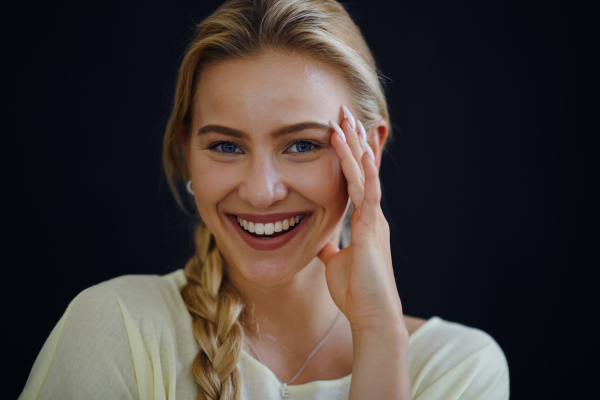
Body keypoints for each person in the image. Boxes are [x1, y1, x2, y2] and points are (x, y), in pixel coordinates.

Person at [19, 0, 509, 399]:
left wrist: (379, 334)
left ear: (369, 152)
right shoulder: (117, 329)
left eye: (302, 145)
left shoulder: (457, 369)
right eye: (226, 146)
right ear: (189, 154)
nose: (260, 191)